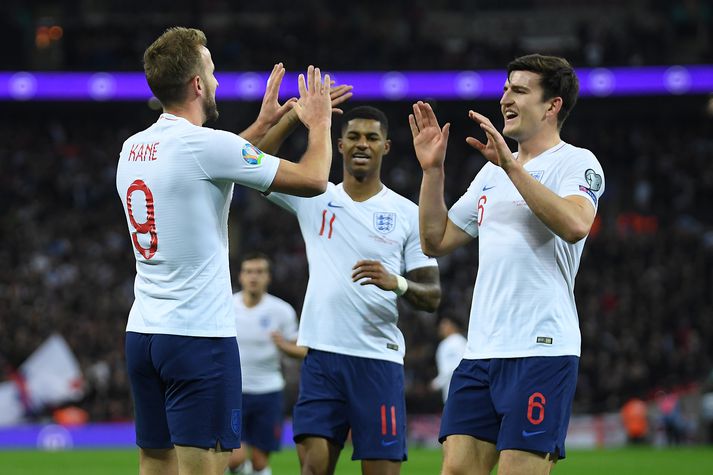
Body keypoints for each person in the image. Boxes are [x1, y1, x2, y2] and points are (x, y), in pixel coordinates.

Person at [116, 26, 336, 475]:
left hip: (143, 335)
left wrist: (272, 123)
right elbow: (314, 179)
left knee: (155, 463)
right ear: (197, 84)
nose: (216, 82)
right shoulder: (206, 146)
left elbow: (214, 164)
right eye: (212, 73)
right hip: (199, 340)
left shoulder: (132, 148)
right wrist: (320, 121)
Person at [409, 53, 605, 475]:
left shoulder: (577, 162)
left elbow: (575, 224)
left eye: (519, 90)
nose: (505, 99)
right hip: (481, 351)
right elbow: (434, 240)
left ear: (552, 106)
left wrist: (512, 166)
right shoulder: (490, 173)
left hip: (542, 351)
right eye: (505, 89)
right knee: (456, 470)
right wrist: (432, 171)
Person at [259, 105, 442, 475]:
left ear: (386, 147)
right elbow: (256, 160)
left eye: (372, 137)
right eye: (354, 137)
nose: (362, 144)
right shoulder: (313, 194)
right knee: (312, 469)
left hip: (378, 360)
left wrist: (398, 282)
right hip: (322, 358)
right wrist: (298, 116)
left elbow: (433, 295)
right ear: (339, 145)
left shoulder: (407, 213)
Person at [227, 252, 306, 475]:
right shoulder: (227, 306)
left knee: (260, 462)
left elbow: (302, 350)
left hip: (269, 392)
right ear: (241, 276)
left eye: (260, 272)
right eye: (249, 272)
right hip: (234, 392)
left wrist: (284, 346)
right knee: (234, 459)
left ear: (268, 277)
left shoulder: (282, 311)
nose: (254, 277)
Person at [430, 316, 467, 403]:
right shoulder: (463, 341)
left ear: (453, 326)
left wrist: (437, 383)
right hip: (463, 388)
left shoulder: (450, 343)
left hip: (454, 389)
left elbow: (454, 367)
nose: (441, 328)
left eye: (444, 325)